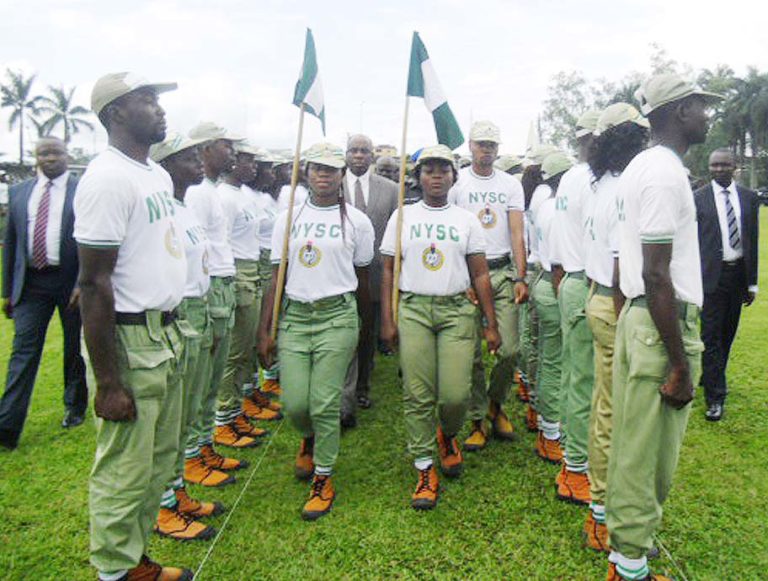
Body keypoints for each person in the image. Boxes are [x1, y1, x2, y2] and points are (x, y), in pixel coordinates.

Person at [605, 73, 722, 581]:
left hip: (644, 317)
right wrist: (678, 362)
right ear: (678, 111)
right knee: (648, 454)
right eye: (701, 104)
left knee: (637, 443)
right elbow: (656, 271)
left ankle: (628, 553)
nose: (707, 114)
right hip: (660, 321)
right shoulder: (662, 173)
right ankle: (630, 565)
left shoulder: (642, 167)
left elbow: (626, 260)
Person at [76, 72, 192, 580]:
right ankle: (115, 573)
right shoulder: (107, 178)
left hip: (165, 332)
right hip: (129, 337)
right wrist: (107, 381)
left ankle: (135, 559)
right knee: (125, 467)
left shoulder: (155, 175)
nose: (160, 109)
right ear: (116, 113)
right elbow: (94, 283)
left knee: (158, 461)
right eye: (147, 100)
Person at [257, 142, 374, 521]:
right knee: (295, 404)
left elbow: (361, 276)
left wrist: (363, 325)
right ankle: (307, 438)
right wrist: (266, 331)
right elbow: (276, 275)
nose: (324, 175)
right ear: (306, 172)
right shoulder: (286, 218)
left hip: (337, 317)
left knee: (324, 402)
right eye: (317, 168)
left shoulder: (357, 221)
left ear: (342, 174)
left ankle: (323, 476)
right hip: (294, 317)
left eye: (331, 169)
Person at [380, 144, 499, 510]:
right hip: (414, 308)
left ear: (453, 176)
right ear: (418, 177)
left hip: (456, 311)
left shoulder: (466, 219)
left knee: (455, 396)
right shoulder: (402, 216)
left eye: (443, 169)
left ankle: (447, 434)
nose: (435, 175)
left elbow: (480, 273)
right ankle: (424, 466)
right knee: (417, 394)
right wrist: (388, 318)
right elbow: (387, 269)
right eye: (428, 169)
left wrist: (491, 324)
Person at [581, 104, 649, 552]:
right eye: (640, 135)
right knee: (615, 415)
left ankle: (602, 508)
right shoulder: (624, 187)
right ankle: (602, 513)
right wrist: (628, 319)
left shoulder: (599, 184)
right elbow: (623, 262)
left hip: (598, 296)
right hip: (616, 301)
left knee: (606, 407)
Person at [149, 132, 222, 541]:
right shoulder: (165, 212)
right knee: (169, 422)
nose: (198, 160)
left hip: (198, 308)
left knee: (190, 409)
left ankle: (177, 491)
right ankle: (163, 506)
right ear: (166, 164)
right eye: (187, 155)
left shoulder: (184, 209)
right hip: (179, 314)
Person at [0, 137, 88, 449]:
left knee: (72, 349)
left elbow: (89, 240)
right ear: (36, 157)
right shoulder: (19, 191)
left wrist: (82, 282)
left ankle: (74, 406)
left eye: (55, 152)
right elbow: (11, 242)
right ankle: (7, 427)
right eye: (43, 153)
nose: (49, 158)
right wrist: (7, 290)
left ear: (67, 155)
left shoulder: (83, 189)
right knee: (23, 351)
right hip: (32, 284)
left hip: (70, 283)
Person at [448, 121, 527, 451]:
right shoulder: (458, 183)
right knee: (472, 357)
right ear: (470, 146)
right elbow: (452, 232)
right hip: (468, 274)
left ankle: (497, 404)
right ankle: (478, 419)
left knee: (510, 349)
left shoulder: (510, 184)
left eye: (492, 145)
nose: (487, 150)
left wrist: (521, 276)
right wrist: (460, 277)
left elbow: (516, 233)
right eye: (481, 144)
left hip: (501, 272)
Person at [185, 122, 259, 460]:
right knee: (211, 370)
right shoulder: (200, 192)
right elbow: (197, 245)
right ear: (207, 148)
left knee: (218, 369)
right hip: (210, 286)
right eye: (227, 146)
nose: (232, 153)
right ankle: (203, 442)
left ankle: (207, 442)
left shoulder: (212, 190)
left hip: (224, 282)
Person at [549, 110, 600, 505]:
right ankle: (576, 467)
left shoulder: (569, 177)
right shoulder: (590, 178)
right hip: (588, 280)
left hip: (570, 279)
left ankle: (571, 451)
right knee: (585, 380)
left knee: (573, 375)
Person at [215, 141, 279, 445]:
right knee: (235, 353)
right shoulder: (224, 198)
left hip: (252, 268)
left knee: (247, 347)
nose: (254, 168)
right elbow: (219, 242)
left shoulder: (243, 195)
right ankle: (225, 418)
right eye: (248, 162)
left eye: (257, 163)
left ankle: (239, 407)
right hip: (238, 272)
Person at [694, 148, 760, 422]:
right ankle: (715, 397)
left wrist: (752, 283)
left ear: (735, 166)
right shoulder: (698, 198)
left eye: (724, 165)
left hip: (737, 277)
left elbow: (752, 240)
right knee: (710, 337)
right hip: (710, 277)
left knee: (726, 335)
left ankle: (710, 374)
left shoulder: (748, 198)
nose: (719, 169)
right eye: (714, 165)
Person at [340, 134, 398, 426]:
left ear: (372, 156)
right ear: (346, 155)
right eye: (354, 151)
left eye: (364, 151)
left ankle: (361, 387)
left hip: (374, 275)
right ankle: (342, 395)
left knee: (366, 334)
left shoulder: (391, 190)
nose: (359, 156)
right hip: (337, 274)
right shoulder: (330, 185)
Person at [530, 152, 572, 465]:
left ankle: (550, 427)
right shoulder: (558, 209)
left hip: (545, 280)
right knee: (556, 362)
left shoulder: (544, 205)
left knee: (550, 358)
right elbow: (558, 262)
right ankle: (550, 433)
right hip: (555, 282)